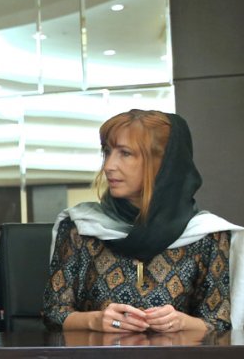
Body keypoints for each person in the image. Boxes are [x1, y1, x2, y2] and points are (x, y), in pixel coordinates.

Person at [42, 110, 243, 332]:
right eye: (107, 152)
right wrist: (95, 321)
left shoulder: (208, 234)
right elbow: (54, 313)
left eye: (125, 153)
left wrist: (182, 323)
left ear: (164, 163)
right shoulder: (79, 227)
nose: (109, 166)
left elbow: (219, 323)